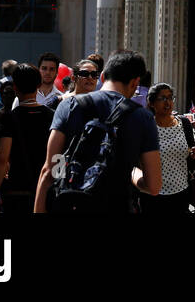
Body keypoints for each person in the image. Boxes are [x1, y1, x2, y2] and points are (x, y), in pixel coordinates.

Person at [34, 50, 161, 213]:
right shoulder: (143, 117)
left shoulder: (69, 105)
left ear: (102, 77)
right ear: (135, 83)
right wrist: (132, 172)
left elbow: (50, 169)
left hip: (72, 204)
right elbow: (154, 186)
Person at [0, 63, 51, 214]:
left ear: (15, 87)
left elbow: (2, 158)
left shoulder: (10, 118)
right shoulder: (52, 116)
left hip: (16, 191)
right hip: (44, 189)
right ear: (39, 85)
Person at [140, 83, 195, 214]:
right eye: (162, 98)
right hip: (153, 196)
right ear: (151, 103)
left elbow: (191, 154)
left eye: (170, 97)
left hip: (181, 193)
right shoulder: (145, 127)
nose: (167, 102)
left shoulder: (184, 123)